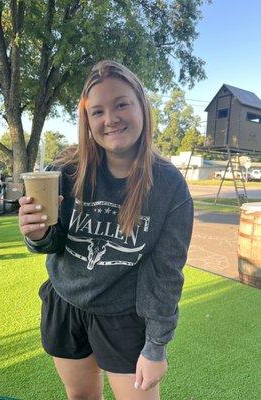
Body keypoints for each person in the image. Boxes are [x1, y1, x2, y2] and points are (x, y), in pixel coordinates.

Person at [18, 60, 193, 400]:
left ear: (141, 106)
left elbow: (165, 273)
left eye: (121, 104)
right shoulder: (65, 170)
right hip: (65, 304)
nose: (110, 119)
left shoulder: (169, 185)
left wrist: (156, 345)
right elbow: (52, 243)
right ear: (87, 121)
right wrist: (36, 235)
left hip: (123, 315)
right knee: (80, 396)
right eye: (97, 111)